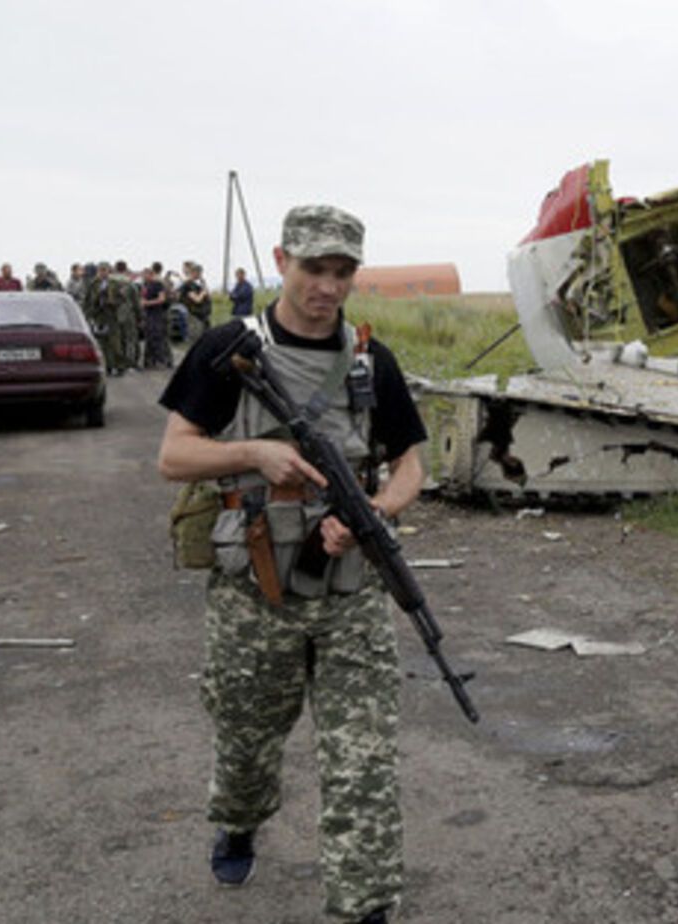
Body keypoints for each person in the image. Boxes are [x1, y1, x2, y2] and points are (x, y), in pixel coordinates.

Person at [155, 205, 423, 924]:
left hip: (349, 595)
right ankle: (239, 819)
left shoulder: (371, 361)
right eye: (314, 269)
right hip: (254, 592)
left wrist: (376, 516)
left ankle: (364, 905)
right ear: (281, 260)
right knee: (245, 738)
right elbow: (173, 455)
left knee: (362, 758)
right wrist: (253, 452)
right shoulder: (227, 347)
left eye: (343, 272)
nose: (328, 287)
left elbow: (410, 464)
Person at [105, 261, 142, 375]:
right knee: (130, 339)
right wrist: (139, 316)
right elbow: (135, 301)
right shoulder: (128, 282)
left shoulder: (108, 281)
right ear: (125, 269)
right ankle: (129, 364)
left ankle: (115, 363)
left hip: (112, 314)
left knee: (116, 340)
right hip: (127, 313)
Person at [140, 264, 173, 368]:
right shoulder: (146, 285)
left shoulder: (157, 284)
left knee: (157, 337)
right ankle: (150, 361)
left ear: (151, 274)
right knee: (149, 338)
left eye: (145, 275)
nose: (143, 277)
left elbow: (161, 299)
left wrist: (148, 303)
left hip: (157, 314)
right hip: (148, 314)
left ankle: (161, 361)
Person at [179, 261, 212, 338]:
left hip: (203, 316)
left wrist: (204, 284)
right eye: (199, 273)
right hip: (195, 316)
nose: (200, 275)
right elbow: (197, 300)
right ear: (193, 273)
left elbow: (208, 296)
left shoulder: (197, 285)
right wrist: (203, 293)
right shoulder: (188, 285)